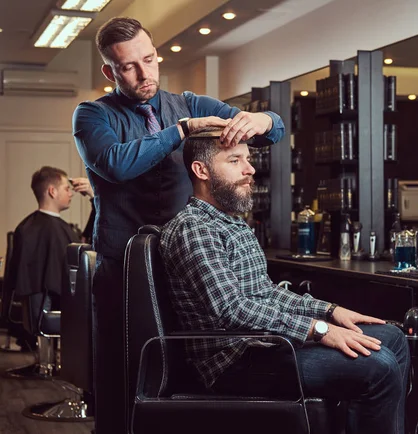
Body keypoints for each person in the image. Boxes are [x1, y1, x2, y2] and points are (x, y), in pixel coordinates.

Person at [72, 17, 285, 434]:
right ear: (109, 71)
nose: (143, 73)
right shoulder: (92, 116)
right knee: (122, 382)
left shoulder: (189, 101)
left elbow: (270, 129)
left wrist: (262, 121)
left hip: (184, 269)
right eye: (128, 66)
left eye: (148, 60)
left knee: (184, 379)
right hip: (124, 272)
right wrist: (180, 131)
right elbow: (116, 164)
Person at [160, 129, 410, 434]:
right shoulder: (194, 228)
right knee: (378, 367)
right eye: (235, 160)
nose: (250, 169)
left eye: (248, 159)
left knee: (392, 337)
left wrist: (330, 311)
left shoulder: (231, 223)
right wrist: (317, 330)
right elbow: (231, 308)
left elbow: (264, 293)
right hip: (234, 361)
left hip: (262, 344)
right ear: (201, 170)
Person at [5, 167, 93, 348]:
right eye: (66, 189)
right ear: (52, 191)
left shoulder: (31, 227)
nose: (71, 193)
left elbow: (86, 240)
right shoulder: (37, 229)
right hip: (52, 303)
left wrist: (94, 198)